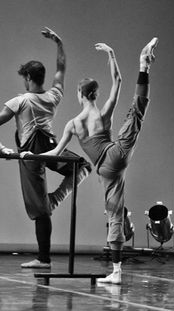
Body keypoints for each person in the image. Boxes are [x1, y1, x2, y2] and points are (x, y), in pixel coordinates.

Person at [26, 36, 158, 282]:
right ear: (95, 94)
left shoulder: (74, 124)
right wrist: (111, 54)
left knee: (114, 214)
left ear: (80, 93)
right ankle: (144, 65)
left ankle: (117, 272)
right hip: (117, 154)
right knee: (136, 113)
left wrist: (29, 154)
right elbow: (118, 81)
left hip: (106, 166)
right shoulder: (104, 112)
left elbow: (55, 154)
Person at [0, 27, 91, 268]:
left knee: (41, 210)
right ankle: (55, 201)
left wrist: (2, 148)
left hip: (32, 155)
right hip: (51, 149)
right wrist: (59, 42)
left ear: (28, 78)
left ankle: (44, 259)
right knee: (81, 166)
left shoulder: (20, 101)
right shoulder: (54, 96)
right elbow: (61, 69)